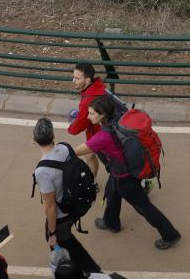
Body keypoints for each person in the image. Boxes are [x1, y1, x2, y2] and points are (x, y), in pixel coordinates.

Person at [72, 95, 181, 249]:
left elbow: (75, 152)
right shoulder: (117, 119)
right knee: (112, 191)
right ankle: (111, 221)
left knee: (144, 207)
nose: (87, 116)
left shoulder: (103, 136)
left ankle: (170, 234)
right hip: (124, 171)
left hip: (125, 177)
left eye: (91, 113)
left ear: (102, 115)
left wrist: (52, 149)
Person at [33, 117, 104, 278]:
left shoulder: (42, 171)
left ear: (34, 140)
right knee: (70, 242)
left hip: (61, 216)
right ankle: (92, 270)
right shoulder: (65, 148)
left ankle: (89, 272)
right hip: (74, 207)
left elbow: (50, 206)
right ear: (53, 137)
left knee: (64, 246)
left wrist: (51, 233)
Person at [67, 62, 113, 141]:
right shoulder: (98, 88)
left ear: (87, 80)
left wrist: (70, 128)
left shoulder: (88, 101)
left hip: (99, 139)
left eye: (77, 78)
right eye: (73, 77)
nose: (73, 80)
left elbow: (77, 128)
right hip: (107, 134)